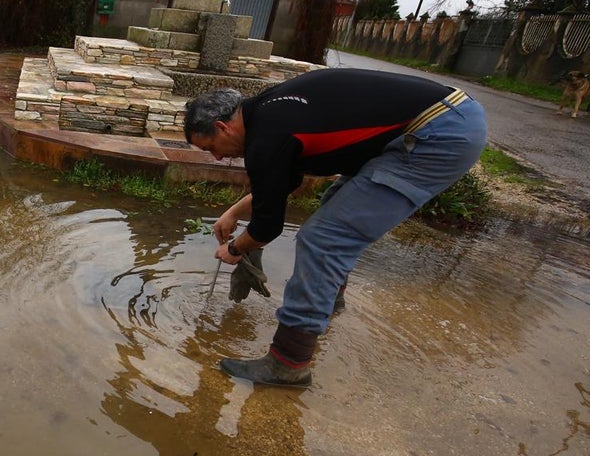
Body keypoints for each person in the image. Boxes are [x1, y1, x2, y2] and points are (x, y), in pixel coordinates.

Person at [184, 68, 487, 387]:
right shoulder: (267, 113)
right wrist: (234, 212)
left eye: (210, 147)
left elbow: (268, 226)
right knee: (336, 205)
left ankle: (288, 363)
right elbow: (281, 183)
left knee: (324, 239)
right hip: (446, 116)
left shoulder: (266, 136)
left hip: (437, 133)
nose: (216, 157)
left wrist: (235, 250)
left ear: (222, 126)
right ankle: (328, 303)